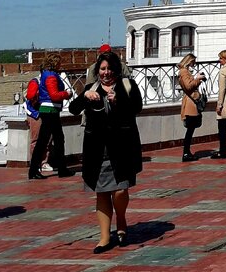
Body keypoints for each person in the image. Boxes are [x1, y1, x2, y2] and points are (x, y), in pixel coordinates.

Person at [68, 50, 143, 253]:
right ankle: (104, 237)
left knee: (120, 189)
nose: (106, 73)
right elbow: (73, 109)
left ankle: (121, 218)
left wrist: (118, 101)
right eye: (102, 69)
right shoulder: (92, 88)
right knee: (101, 192)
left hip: (122, 148)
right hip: (98, 150)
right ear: (97, 71)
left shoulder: (127, 85)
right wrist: (85, 96)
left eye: (109, 68)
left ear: (116, 70)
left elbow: (137, 106)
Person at [28, 53, 72, 180]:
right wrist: (66, 94)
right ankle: (59, 168)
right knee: (51, 140)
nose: (60, 65)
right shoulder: (51, 76)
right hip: (50, 110)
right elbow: (54, 95)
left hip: (48, 110)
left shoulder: (46, 74)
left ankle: (36, 169)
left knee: (48, 140)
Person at [178, 53, 206, 162]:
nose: (194, 64)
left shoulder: (185, 71)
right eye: (193, 62)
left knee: (191, 128)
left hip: (191, 102)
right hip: (190, 103)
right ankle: (186, 153)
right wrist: (198, 79)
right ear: (189, 61)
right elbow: (188, 86)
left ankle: (187, 152)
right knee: (190, 129)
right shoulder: (184, 72)